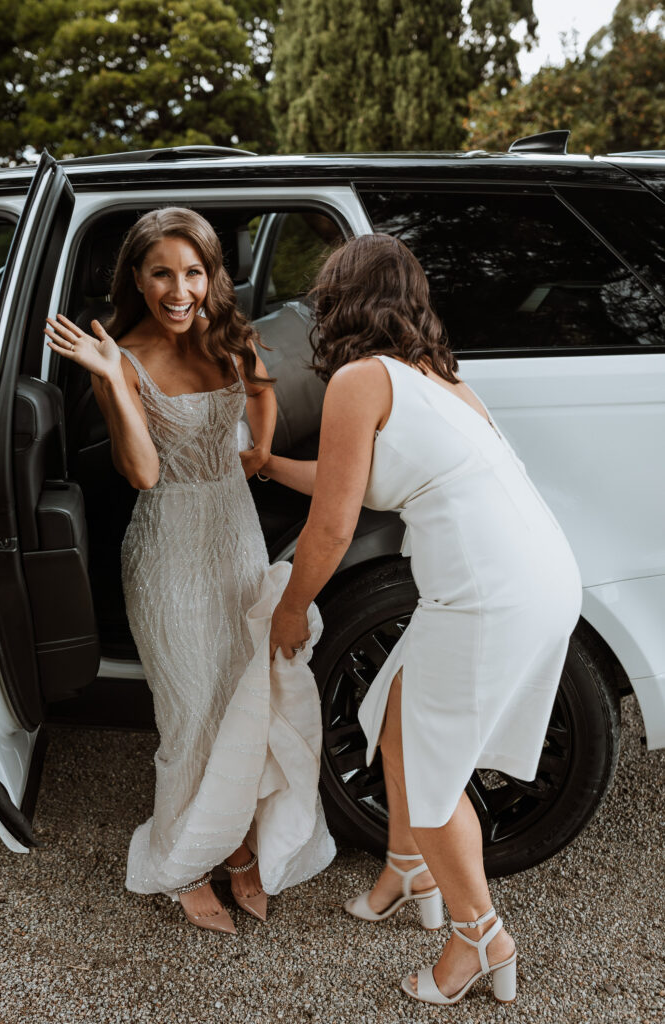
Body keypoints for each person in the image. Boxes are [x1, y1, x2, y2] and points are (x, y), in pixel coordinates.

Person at [266, 234, 582, 1005]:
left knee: (434, 777)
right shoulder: (440, 382)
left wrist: (290, 606)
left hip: (484, 597)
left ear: (337, 299)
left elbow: (334, 527)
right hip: (541, 577)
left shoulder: (357, 379)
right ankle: (410, 872)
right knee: (399, 722)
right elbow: (364, 482)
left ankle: (480, 939)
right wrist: (269, 465)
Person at [45, 207, 334, 934]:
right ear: (137, 280)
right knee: (188, 715)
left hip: (236, 539)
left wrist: (259, 455)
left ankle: (239, 849)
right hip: (167, 550)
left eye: (193, 272)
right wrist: (113, 379)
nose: (180, 289)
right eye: (162, 273)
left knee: (244, 704)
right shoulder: (126, 355)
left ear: (211, 277)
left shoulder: (230, 336)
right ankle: (185, 864)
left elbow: (263, 393)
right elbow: (141, 473)